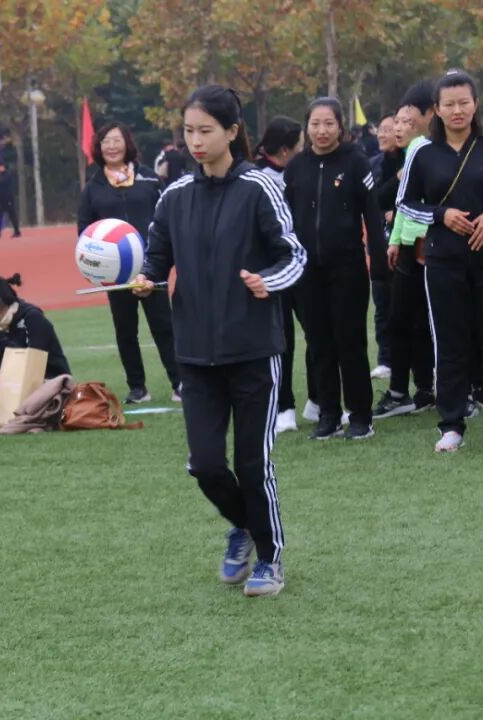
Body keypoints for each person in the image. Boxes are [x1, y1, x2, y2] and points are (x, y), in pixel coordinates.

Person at [133, 85, 305, 598]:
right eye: (189, 130)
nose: (195, 140)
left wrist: (267, 281)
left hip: (253, 351)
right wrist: (145, 277)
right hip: (195, 355)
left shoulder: (260, 186)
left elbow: (293, 255)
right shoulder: (174, 195)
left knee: (253, 465)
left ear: (232, 132)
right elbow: (156, 257)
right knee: (204, 464)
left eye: (205, 130)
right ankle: (245, 526)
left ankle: (270, 558)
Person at [398, 70, 483, 451]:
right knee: (450, 344)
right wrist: (442, 216)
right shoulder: (423, 151)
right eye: (449, 104)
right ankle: (451, 425)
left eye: (464, 102)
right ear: (436, 110)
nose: (457, 110)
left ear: (475, 104)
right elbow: (406, 202)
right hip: (443, 261)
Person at [284, 97, 387, 441]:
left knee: (349, 342)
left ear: (341, 127)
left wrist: (378, 265)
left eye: (329, 123)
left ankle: (360, 415)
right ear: (307, 127)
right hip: (306, 271)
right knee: (318, 345)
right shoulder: (296, 167)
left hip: (347, 269)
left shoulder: (355, 162)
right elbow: (284, 219)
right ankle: (328, 415)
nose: (322, 130)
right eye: (315, 124)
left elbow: (372, 215)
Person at [77, 120, 180, 404]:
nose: (111, 146)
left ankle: (180, 383)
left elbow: (166, 217)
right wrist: (93, 264)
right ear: (98, 148)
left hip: (152, 268)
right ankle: (137, 388)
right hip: (116, 273)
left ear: (127, 144)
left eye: (116, 140)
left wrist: (164, 256)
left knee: (164, 326)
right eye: (105, 141)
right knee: (125, 331)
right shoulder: (93, 188)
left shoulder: (149, 178)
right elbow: (84, 231)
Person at [373, 81, 437, 419]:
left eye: (408, 120)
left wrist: (404, 237)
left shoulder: (425, 150)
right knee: (407, 321)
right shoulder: (411, 153)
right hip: (410, 246)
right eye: (398, 120)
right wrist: (396, 239)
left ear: (429, 115)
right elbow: (402, 204)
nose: (399, 127)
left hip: (426, 246)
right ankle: (415, 390)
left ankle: (412, 391)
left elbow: (411, 203)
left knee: (415, 322)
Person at [254, 116, 310, 433]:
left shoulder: (300, 171)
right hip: (274, 269)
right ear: (286, 150)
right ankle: (284, 406)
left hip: (303, 264)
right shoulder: (256, 178)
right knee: (282, 339)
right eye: (300, 145)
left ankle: (319, 401)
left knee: (317, 335)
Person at [0, 273, 70, 396]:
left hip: (52, 386)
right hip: (19, 388)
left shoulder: (32, 318)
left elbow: (34, 364)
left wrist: (0, 339)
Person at [368, 113, 398, 381]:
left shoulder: (412, 161)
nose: (382, 134)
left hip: (406, 244)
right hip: (379, 244)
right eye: (381, 130)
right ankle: (386, 359)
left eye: (388, 129)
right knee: (381, 304)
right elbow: (371, 201)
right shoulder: (373, 164)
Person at [0, 161, 20, 238]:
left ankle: (17, 231)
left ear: (2, 166)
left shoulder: (8, 174)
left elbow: (1, 182)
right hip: (1, 199)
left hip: (8, 199)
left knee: (12, 215)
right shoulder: (1, 174)